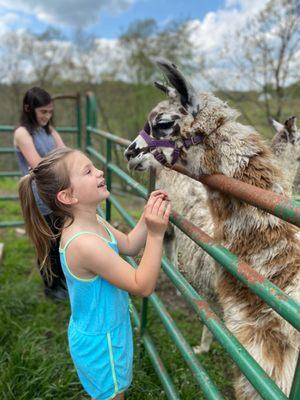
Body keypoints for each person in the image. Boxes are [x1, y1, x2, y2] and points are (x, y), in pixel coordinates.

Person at [18, 147, 171, 400]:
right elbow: (141, 285)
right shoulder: (83, 243)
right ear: (68, 196)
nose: (100, 171)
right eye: (88, 171)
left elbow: (130, 244)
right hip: (102, 342)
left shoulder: (94, 220)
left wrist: (147, 216)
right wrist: (156, 233)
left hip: (107, 327)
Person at [14, 87, 67, 300]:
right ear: (29, 108)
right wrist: (59, 163)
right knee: (46, 244)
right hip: (37, 197)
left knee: (61, 240)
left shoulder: (49, 131)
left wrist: (61, 162)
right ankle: (51, 288)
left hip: (57, 193)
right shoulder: (22, 133)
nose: (47, 116)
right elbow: (38, 164)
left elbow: (66, 153)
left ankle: (62, 281)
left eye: (50, 111)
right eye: (43, 112)